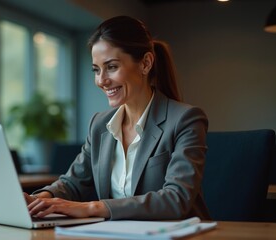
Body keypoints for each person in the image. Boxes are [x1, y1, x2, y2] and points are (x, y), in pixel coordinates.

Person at [24, 15, 210, 220]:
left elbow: (177, 198)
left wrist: (92, 208)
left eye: (111, 67)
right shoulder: (100, 125)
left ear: (146, 63)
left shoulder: (186, 120)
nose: (101, 80)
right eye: (96, 70)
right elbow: (73, 183)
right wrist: (40, 199)